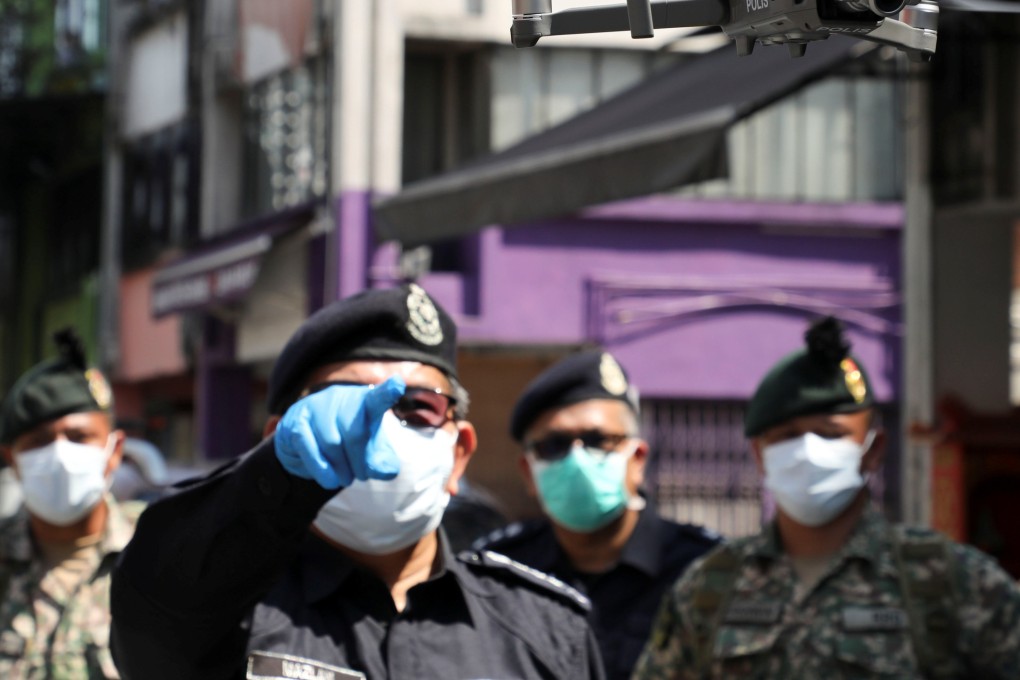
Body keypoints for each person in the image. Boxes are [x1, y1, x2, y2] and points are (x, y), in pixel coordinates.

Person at [110, 284, 605, 680]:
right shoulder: (224, 610)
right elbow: (154, 602)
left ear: (459, 455)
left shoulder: (544, 631)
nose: (380, 424)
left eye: (418, 407)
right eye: (346, 402)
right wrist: (276, 474)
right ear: (280, 438)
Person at [632, 316, 1020, 679]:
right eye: (786, 436)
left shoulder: (950, 582)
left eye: (830, 433)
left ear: (873, 450)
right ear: (759, 454)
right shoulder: (710, 587)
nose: (807, 450)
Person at [479, 349, 720, 680]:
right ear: (527, 473)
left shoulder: (705, 567)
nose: (577, 460)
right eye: (554, 445)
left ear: (637, 460)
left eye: (598, 440)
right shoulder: (498, 572)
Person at [0, 329, 135, 678]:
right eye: (39, 441)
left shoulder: (161, 550)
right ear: (11, 459)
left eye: (78, 437)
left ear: (114, 450)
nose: (60, 455)